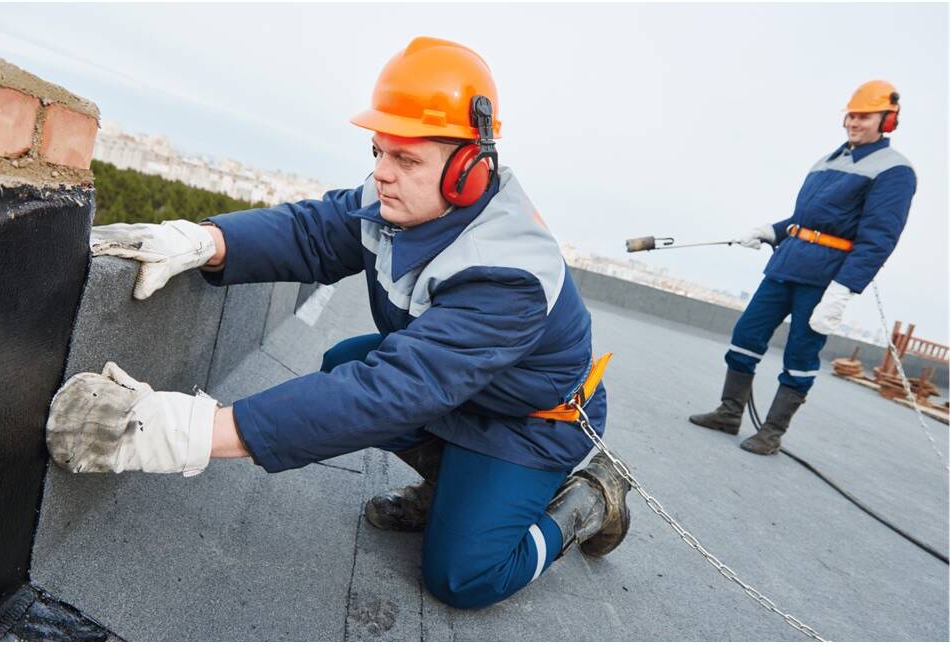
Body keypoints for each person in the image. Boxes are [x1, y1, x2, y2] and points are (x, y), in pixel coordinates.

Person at [45, 36, 630, 609]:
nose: (382, 173)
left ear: (469, 169)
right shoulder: (405, 199)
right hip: (461, 391)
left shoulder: (509, 275)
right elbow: (312, 232)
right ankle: (452, 489)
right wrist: (201, 240)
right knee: (342, 364)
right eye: (378, 151)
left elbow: (391, 392)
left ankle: (582, 502)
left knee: (463, 577)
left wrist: (184, 432)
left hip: (528, 421)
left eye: (405, 158)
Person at [689, 80, 916, 455]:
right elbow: (806, 219)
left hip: (825, 277)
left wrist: (844, 290)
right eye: (851, 115)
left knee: (801, 353)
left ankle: (772, 433)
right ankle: (730, 413)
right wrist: (770, 231)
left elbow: (878, 239)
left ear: (887, 120)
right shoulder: (828, 160)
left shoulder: (894, 170)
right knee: (746, 334)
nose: (854, 122)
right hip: (787, 263)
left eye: (865, 116)